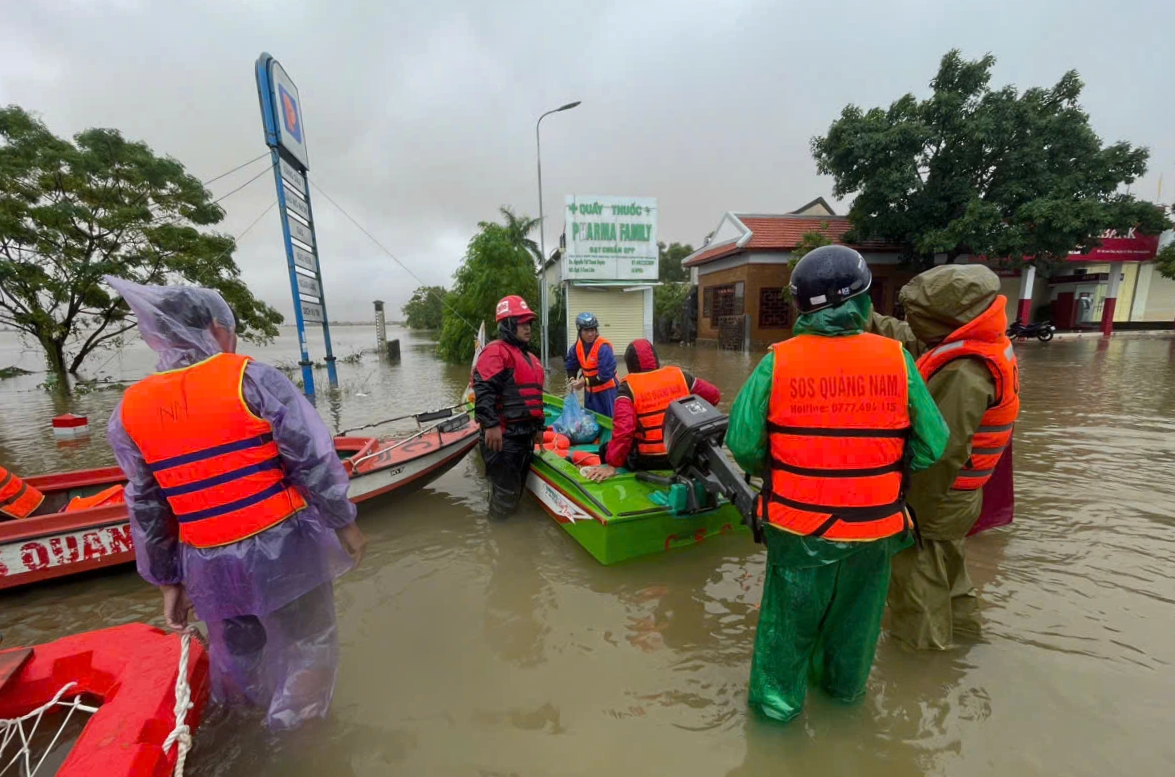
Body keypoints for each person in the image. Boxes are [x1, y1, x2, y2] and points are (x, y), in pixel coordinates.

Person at [105, 278, 366, 731]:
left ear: (160, 337)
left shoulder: (130, 409)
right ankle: (293, 739)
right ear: (213, 328)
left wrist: (169, 580)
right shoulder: (252, 379)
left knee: (241, 653)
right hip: (283, 548)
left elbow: (146, 506)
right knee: (309, 644)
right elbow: (312, 459)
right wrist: (344, 522)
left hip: (207, 564)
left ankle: (245, 733)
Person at [725, 246, 949, 722]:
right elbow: (934, 444)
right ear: (865, 303)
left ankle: (774, 723)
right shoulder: (897, 359)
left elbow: (741, 442)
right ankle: (843, 710)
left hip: (797, 532)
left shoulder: (778, 363)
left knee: (787, 634)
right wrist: (880, 463)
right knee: (855, 631)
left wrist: (789, 465)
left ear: (802, 308)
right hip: (874, 532)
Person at [868, 264, 1020, 650]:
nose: (910, 321)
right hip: (961, 496)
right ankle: (966, 643)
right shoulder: (974, 339)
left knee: (916, 585)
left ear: (943, 318)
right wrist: (860, 312)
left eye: (917, 314)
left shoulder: (964, 372)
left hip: (938, 497)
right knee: (949, 573)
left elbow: (940, 453)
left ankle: (920, 668)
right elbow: (907, 336)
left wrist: (907, 512)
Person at [585, 339, 721, 482]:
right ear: (655, 359)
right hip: (682, 455)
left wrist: (611, 465)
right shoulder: (680, 376)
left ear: (629, 364)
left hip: (649, 459)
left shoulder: (628, 387)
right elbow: (714, 396)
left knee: (605, 449)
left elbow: (624, 429)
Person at [472, 295, 546, 519]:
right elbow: (483, 391)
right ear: (508, 325)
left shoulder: (532, 359)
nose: (527, 328)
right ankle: (498, 542)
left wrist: (539, 428)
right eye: (522, 323)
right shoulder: (496, 352)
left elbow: (537, 399)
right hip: (503, 438)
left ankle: (508, 540)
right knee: (505, 497)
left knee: (515, 493)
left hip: (524, 437)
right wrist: (491, 424)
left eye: (529, 323)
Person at [565, 312, 620, 418]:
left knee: (610, 421)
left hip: (607, 392)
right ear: (580, 331)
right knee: (592, 422)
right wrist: (572, 379)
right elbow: (571, 364)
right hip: (590, 394)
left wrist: (583, 381)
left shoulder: (603, 347)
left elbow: (605, 375)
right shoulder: (577, 347)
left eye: (593, 330)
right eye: (586, 330)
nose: (590, 334)